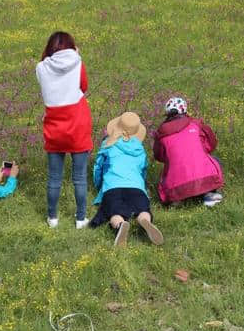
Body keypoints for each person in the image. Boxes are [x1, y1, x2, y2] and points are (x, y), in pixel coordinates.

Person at [36, 31, 93, 229]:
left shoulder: (41, 67)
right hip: (77, 123)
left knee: (54, 177)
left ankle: (52, 218)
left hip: (54, 126)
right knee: (79, 177)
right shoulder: (77, 62)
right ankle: (80, 218)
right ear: (72, 47)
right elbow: (83, 86)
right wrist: (77, 55)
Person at [90, 112, 163, 247]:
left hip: (112, 187)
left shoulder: (107, 144)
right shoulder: (139, 148)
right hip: (136, 188)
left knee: (113, 211)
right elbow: (143, 171)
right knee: (142, 208)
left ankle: (120, 224)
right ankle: (144, 220)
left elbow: (98, 168)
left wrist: (98, 184)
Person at [153, 97, 224, 207]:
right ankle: (209, 194)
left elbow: (159, 156)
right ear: (185, 110)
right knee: (215, 160)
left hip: (176, 185)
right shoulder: (196, 124)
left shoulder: (161, 133)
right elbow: (211, 144)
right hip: (204, 178)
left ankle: (177, 199)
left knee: (169, 169)